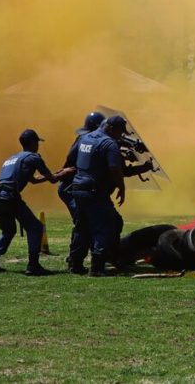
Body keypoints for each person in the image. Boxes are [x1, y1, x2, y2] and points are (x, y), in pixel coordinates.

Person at [0, 129, 73, 275]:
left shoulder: (12, 158)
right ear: (33, 143)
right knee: (35, 228)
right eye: (37, 142)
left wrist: (57, 173)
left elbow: (33, 180)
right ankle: (33, 265)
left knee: (7, 231)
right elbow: (52, 180)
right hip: (10, 196)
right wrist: (65, 172)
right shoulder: (33, 158)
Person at [71, 115, 127, 276]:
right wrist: (121, 188)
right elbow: (115, 169)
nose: (120, 135)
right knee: (107, 224)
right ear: (110, 128)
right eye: (119, 131)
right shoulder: (109, 144)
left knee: (82, 227)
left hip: (78, 188)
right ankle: (97, 266)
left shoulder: (85, 138)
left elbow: (73, 159)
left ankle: (75, 264)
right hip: (94, 191)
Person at [59, 111, 104, 274]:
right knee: (82, 224)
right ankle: (76, 261)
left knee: (83, 223)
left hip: (73, 187)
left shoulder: (84, 140)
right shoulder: (86, 141)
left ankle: (76, 261)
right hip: (71, 188)